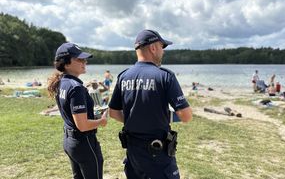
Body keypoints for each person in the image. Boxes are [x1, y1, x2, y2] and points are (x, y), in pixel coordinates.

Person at [109, 29, 193, 179]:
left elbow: (113, 112)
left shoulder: (124, 76)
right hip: (158, 153)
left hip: (133, 152)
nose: (163, 52)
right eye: (162, 47)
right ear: (153, 48)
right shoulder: (165, 76)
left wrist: (135, 120)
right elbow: (186, 116)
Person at [47, 42, 107, 179]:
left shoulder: (62, 82)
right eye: (79, 59)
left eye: (84, 59)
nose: (84, 62)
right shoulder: (76, 88)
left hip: (70, 141)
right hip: (84, 144)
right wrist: (101, 121)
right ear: (66, 64)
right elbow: (83, 125)